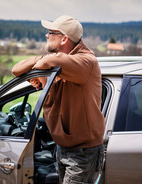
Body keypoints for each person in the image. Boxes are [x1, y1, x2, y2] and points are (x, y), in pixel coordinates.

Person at [12, 15, 105, 184]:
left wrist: (42, 65)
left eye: (51, 32)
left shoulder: (85, 62)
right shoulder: (56, 64)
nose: (47, 36)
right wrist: (40, 64)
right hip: (63, 148)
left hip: (82, 152)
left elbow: (57, 60)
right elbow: (16, 69)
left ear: (64, 39)